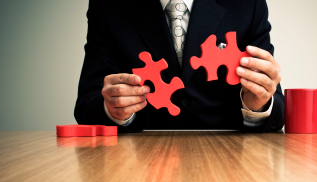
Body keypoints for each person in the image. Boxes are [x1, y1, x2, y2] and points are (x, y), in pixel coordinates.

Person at [74, 0, 284, 133]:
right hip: (139, 163)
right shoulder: (107, 6)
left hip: (229, 165)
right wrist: (114, 110)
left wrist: (256, 106)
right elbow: (87, 105)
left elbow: (276, 107)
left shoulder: (248, 4)